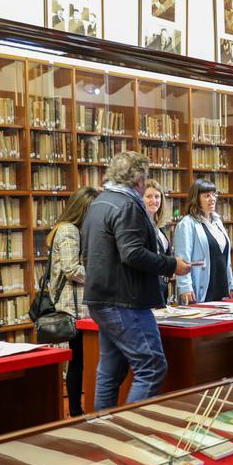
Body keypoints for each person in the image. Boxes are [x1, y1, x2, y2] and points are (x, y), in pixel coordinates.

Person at [82, 153, 190, 408]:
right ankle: (131, 429)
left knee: (110, 371)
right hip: (125, 301)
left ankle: (104, 430)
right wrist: (171, 264)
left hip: (101, 298)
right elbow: (132, 253)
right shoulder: (128, 205)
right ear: (139, 178)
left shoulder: (99, 203)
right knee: (152, 366)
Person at [44, 187, 98, 417]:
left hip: (79, 305)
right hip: (72, 306)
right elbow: (71, 269)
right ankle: (75, 410)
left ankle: (78, 408)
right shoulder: (68, 230)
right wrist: (101, 274)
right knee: (78, 360)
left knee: (81, 359)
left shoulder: (72, 230)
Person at [174, 179, 233, 304]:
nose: (212, 199)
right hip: (201, 288)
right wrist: (185, 287)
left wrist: (230, 285)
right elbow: (182, 259)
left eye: (214, 194)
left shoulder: (217, 222)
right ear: (196, 199)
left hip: (221, 286)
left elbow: (225, 258)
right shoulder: (187, 223)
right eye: (206, 196)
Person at [144, 178, 174, 302]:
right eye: (149, 196)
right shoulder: (138, 225)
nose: (154, 201)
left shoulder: (158, 226)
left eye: (157, 197)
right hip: (146, 289)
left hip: (161, 287)